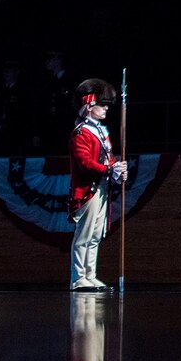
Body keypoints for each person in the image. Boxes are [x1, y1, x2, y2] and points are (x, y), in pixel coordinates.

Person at [69, 78, 126, 292]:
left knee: (95, 235)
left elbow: (107, 158)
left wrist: (116, 170)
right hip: (88, 189)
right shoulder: (81, 132)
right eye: (101, 105)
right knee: (84, 234)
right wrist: (109, 170)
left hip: (101, 188)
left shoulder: (101, 131)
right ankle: (78, 277)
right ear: (89, 106)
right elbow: (85, 163)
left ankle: (90, 275)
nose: (105, 108)